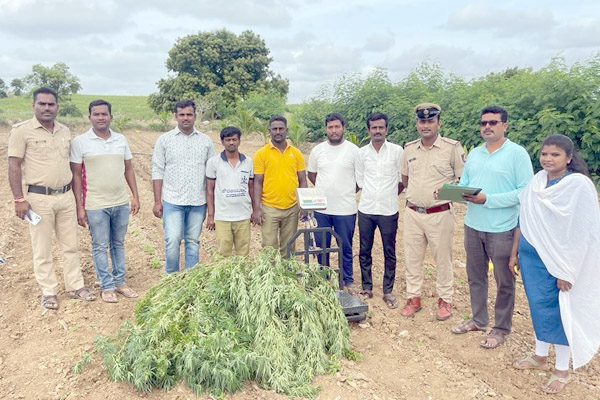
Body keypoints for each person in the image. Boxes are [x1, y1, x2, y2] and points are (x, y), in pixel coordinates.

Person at [511, 134, 600, 394]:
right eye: (545, 154)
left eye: (555, 154)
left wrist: (567, 270)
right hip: (531, 260)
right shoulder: (537, 181)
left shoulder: (578, 186)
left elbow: (582, 232)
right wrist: (515, 252)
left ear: (569, 158)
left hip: (559, 263)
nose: (548, 159)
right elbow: (523, 219)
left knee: (560, 312)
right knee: (538, 308)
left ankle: (562, 369)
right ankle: (540, 356)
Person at [450, 105, 533, 349]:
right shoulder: (475, 153)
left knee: (504, 280)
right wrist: (454, 191)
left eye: (493, 122)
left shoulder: (517, 154)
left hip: (503, 228)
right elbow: (465, 183)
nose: (487, 126)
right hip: (473, 225)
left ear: (504, 125)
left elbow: (525, 192)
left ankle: (501, 328)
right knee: (475, 276)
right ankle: (478, 319)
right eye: (484, 123)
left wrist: (489, 199)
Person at [7, 87, 96, 310]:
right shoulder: (22, 131)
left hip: (65, 196)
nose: (47, 108)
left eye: (51, 104)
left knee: (70, 246)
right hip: (38, 199)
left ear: (57, 107)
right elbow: (13, 165)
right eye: (42, 104)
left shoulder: (64, 131)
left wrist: (78, 202)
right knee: (42, 248)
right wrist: (19, 199)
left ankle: (75, 286)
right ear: (33, 106)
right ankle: (49, 291)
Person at [70, 100, 140, 303]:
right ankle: (106, 285)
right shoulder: (81, 142)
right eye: (96, 114)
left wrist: (134, 195)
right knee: (100, 245)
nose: (100, 117)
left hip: (120, 202)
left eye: (104, 114)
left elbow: (128, 169)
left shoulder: (120, 140)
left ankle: (120, 282)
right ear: (89, 117)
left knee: (118, 243)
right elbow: (75, 176)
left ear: (110, 116)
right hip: (95, 204)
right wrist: (80, 206)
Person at [400, 103, 465, 320]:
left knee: (443, 259)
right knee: (412, 258)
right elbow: (405, 179)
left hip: (439, 213)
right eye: (422, 121)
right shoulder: (409, 149)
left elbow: (462, 180)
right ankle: (413, 298)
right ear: (417, 123)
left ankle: (445, 300)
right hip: (413, 213)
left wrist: (448, 190)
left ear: (439, 122)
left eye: (430, 121)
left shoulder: (452, 148)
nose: (425, 125)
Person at [152, 99, 215, 273]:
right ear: (176, 116)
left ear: (195, 116)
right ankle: (171, 279)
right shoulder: (164, 141)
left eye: (189, 114)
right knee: (172, 240)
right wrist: (157, 201)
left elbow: (211, 174)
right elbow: (157, 171)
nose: (185, 118)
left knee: (193, 241)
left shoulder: (206, 141)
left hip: (198, 200)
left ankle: (190, 280)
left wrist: (212, 208)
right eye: (182, 115)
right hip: (173, 200)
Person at [355, 112, 404, 309]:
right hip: (366, 208)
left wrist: (389, 194)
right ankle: (367, 287)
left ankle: (388, 290)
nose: (377, 131)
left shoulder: (396, 151)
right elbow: (359, 179)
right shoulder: (361, 153)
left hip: (388, 209)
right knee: (364, 249)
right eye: (373, 127)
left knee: (389, 250)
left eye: (380, 127)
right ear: (368, 130)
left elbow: (402, 180)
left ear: (386, 129)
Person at [307, 113, 359, 293]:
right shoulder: (317, 151)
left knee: (345, 245)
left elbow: (359, 180)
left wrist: (344, 192)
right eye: (330, 127)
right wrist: (325, 192)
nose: (334, 130)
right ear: (326, 129)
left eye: (337, 127)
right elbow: (312, 175)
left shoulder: (353, 150)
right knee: (322, 246)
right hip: (322, 208)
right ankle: (324, 278)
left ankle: (348, 280)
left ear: (343, 128)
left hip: (346, 208)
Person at [251, 116, 308, 255]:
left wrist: (304, 206)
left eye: (281, 129)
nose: (278, 132)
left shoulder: (296, 153)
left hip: (292, 207)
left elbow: (302, 180)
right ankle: (271, 275)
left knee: (289, 247)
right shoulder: (261, 154)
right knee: (269, 247)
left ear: (286, 130)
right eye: (274, 129)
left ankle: (286, 274)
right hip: (269, 208)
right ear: (269, 131)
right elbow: (257, 182)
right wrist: (256, 209)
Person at [205, 126, 256, 256]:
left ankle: (241, 276)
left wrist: (255, 211)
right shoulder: (213, 162)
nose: (231, 142)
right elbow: (209, 190)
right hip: (222, 217)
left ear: (239, 141)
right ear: (222, 142)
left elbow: (251, 188)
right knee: (224, 253)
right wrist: (211, 216)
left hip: (243, 215)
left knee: (243, 253)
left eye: (234, 139)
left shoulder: (248, 162)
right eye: (228, 140)